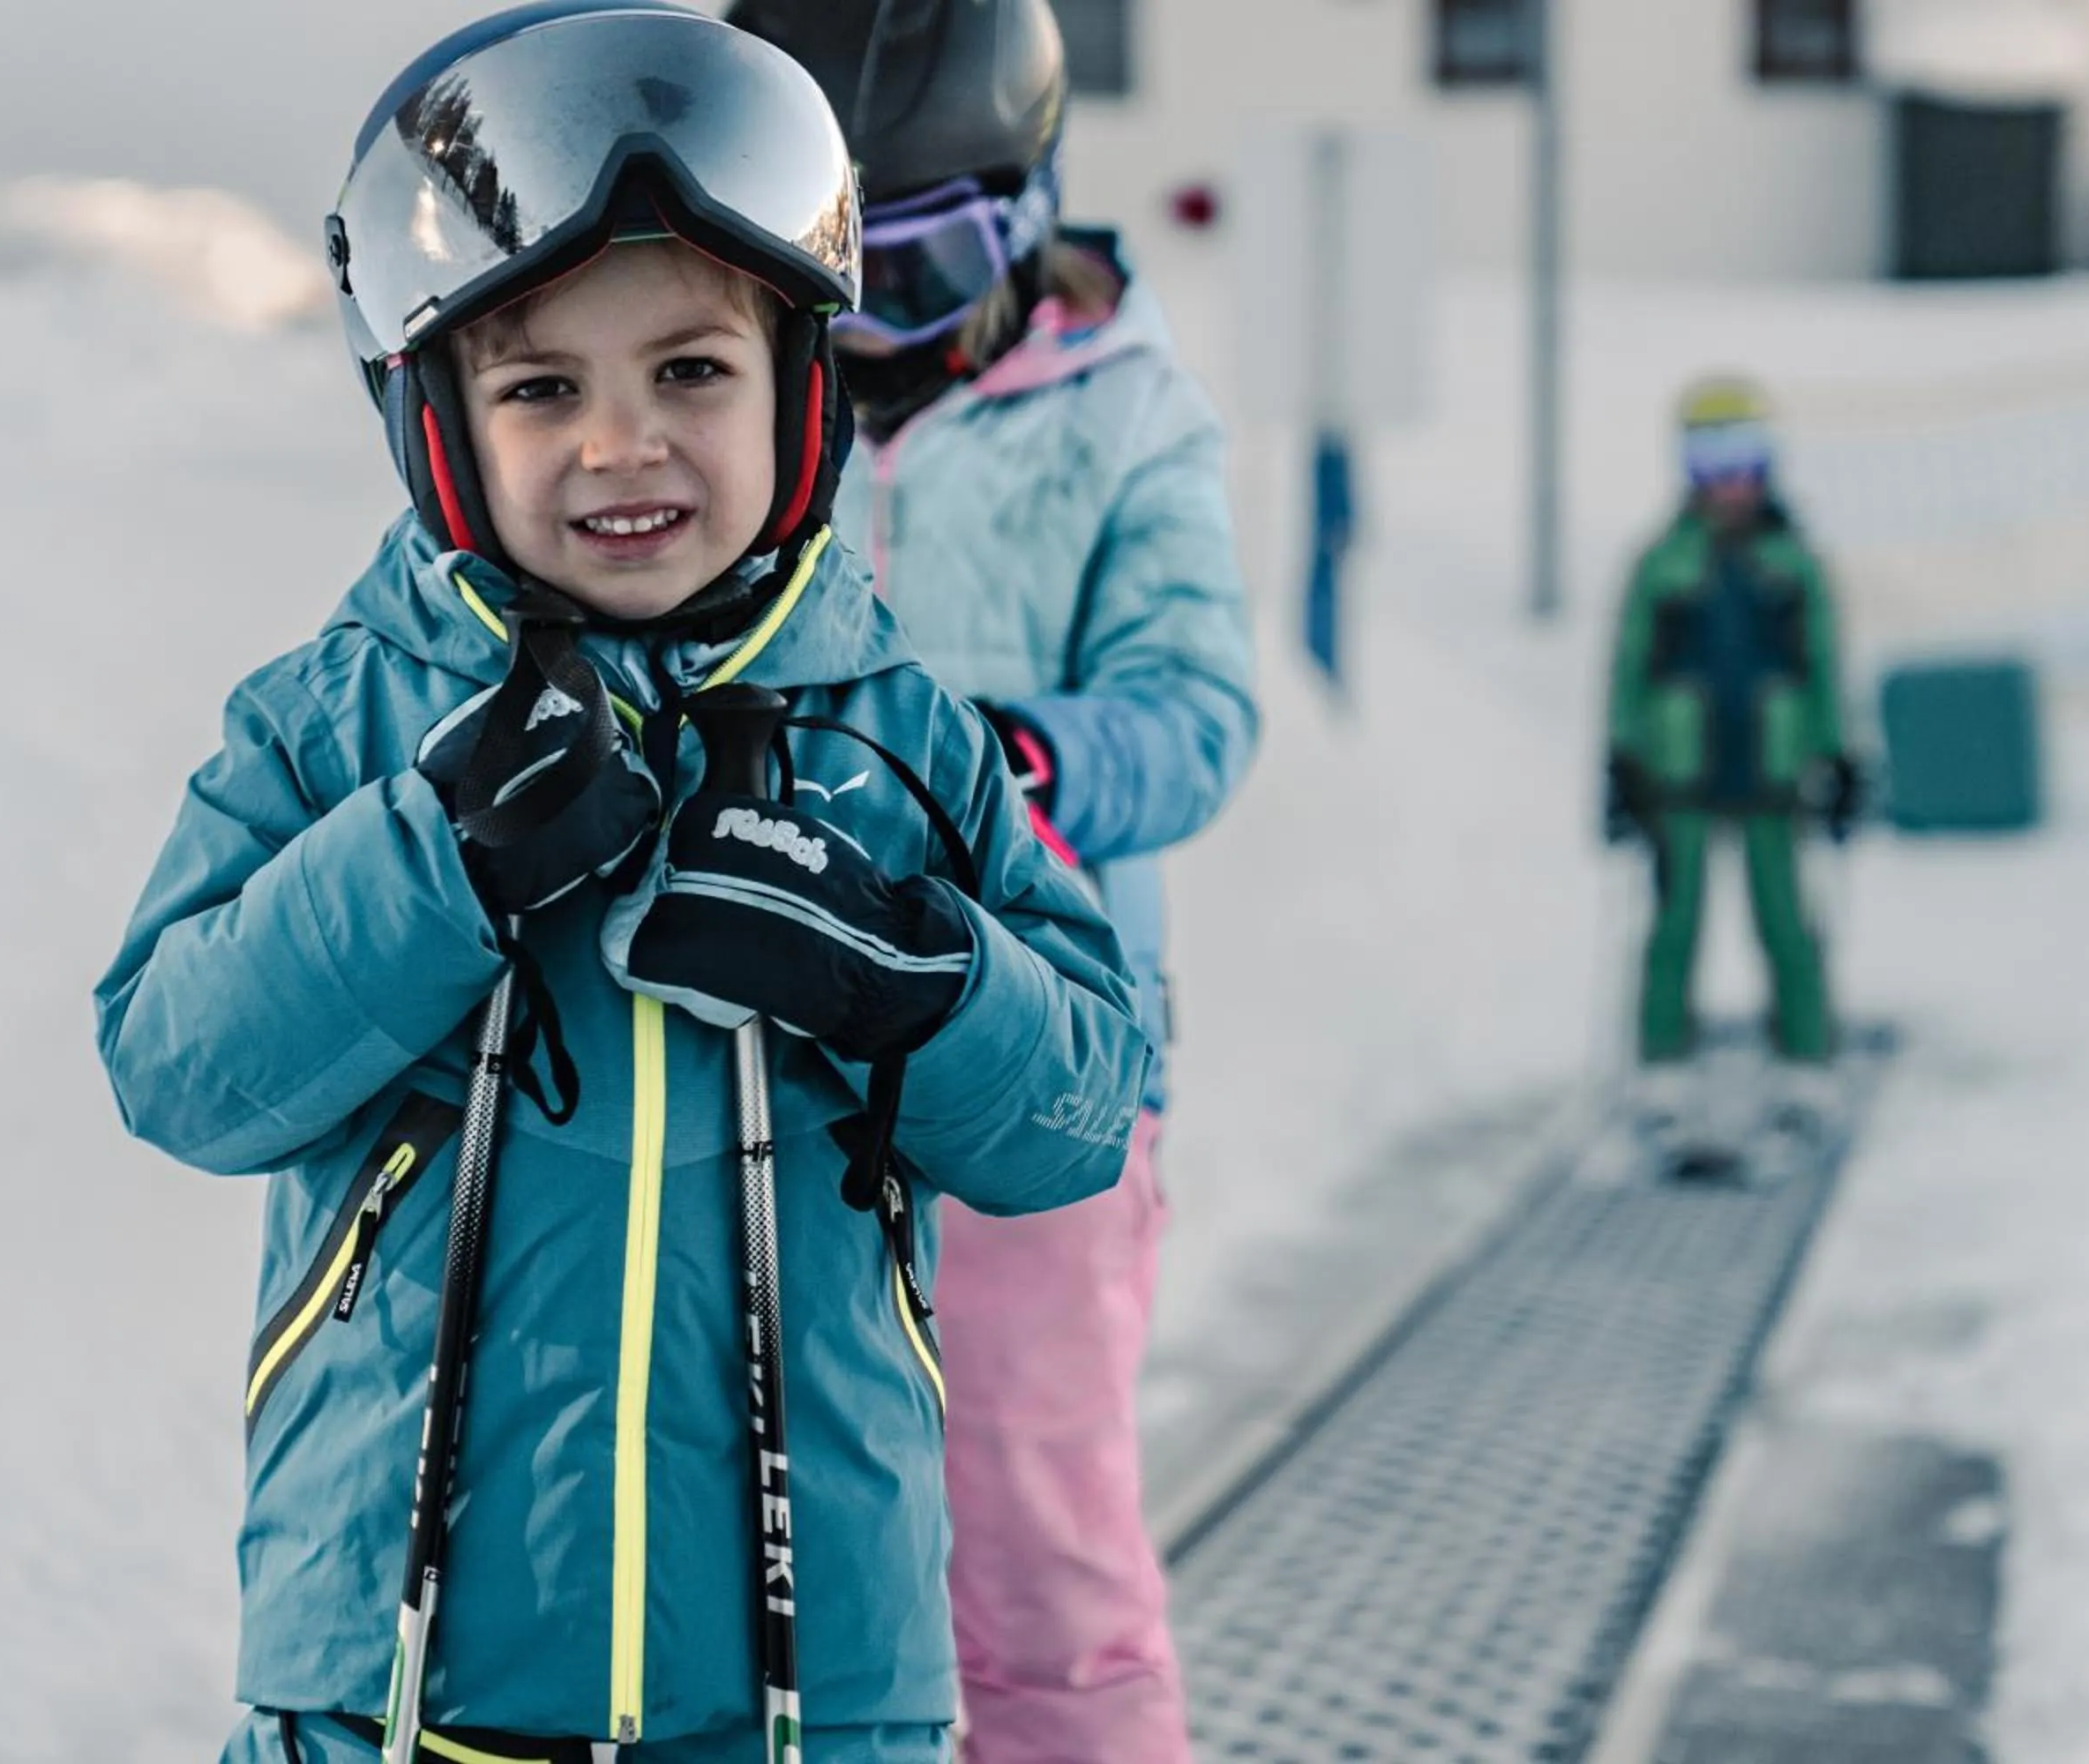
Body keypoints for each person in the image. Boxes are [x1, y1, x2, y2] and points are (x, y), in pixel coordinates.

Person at [92, 9, 1149, 1760]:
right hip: (396, 1682)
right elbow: (176, 1068)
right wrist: (432, 861)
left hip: (816, 1696)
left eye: (691, 372)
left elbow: (1085, 1112)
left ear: (799, 387)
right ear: (439, 422)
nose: (622, 443)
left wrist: (911, 980)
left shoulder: (899, 740)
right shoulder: (342, 726)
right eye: (542, 390)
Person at [724, 4, 1258, 1760]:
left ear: (1028, 214)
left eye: (927, 264)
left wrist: (1014, 764)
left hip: (1031, 1063)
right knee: (775, 1555)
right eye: (836, 266)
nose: (876, 320)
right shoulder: (742, 400)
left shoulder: (1124, 417)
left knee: (1032, 1550)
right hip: (768, 1058)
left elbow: (1197, 710)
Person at [1606, 377, 1861, 1082]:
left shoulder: (1793, 565)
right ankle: (1662, 1055)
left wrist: (1837, 756)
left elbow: (1822, 668)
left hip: (1770, 769)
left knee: (1785, 918)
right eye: (1711, 462)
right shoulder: (1663, 565)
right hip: (1681, 771)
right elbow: (1631, 669)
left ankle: (1805, 1050)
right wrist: (1624, 759)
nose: (1729, 483)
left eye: (1742, 460)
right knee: (1674, 921)